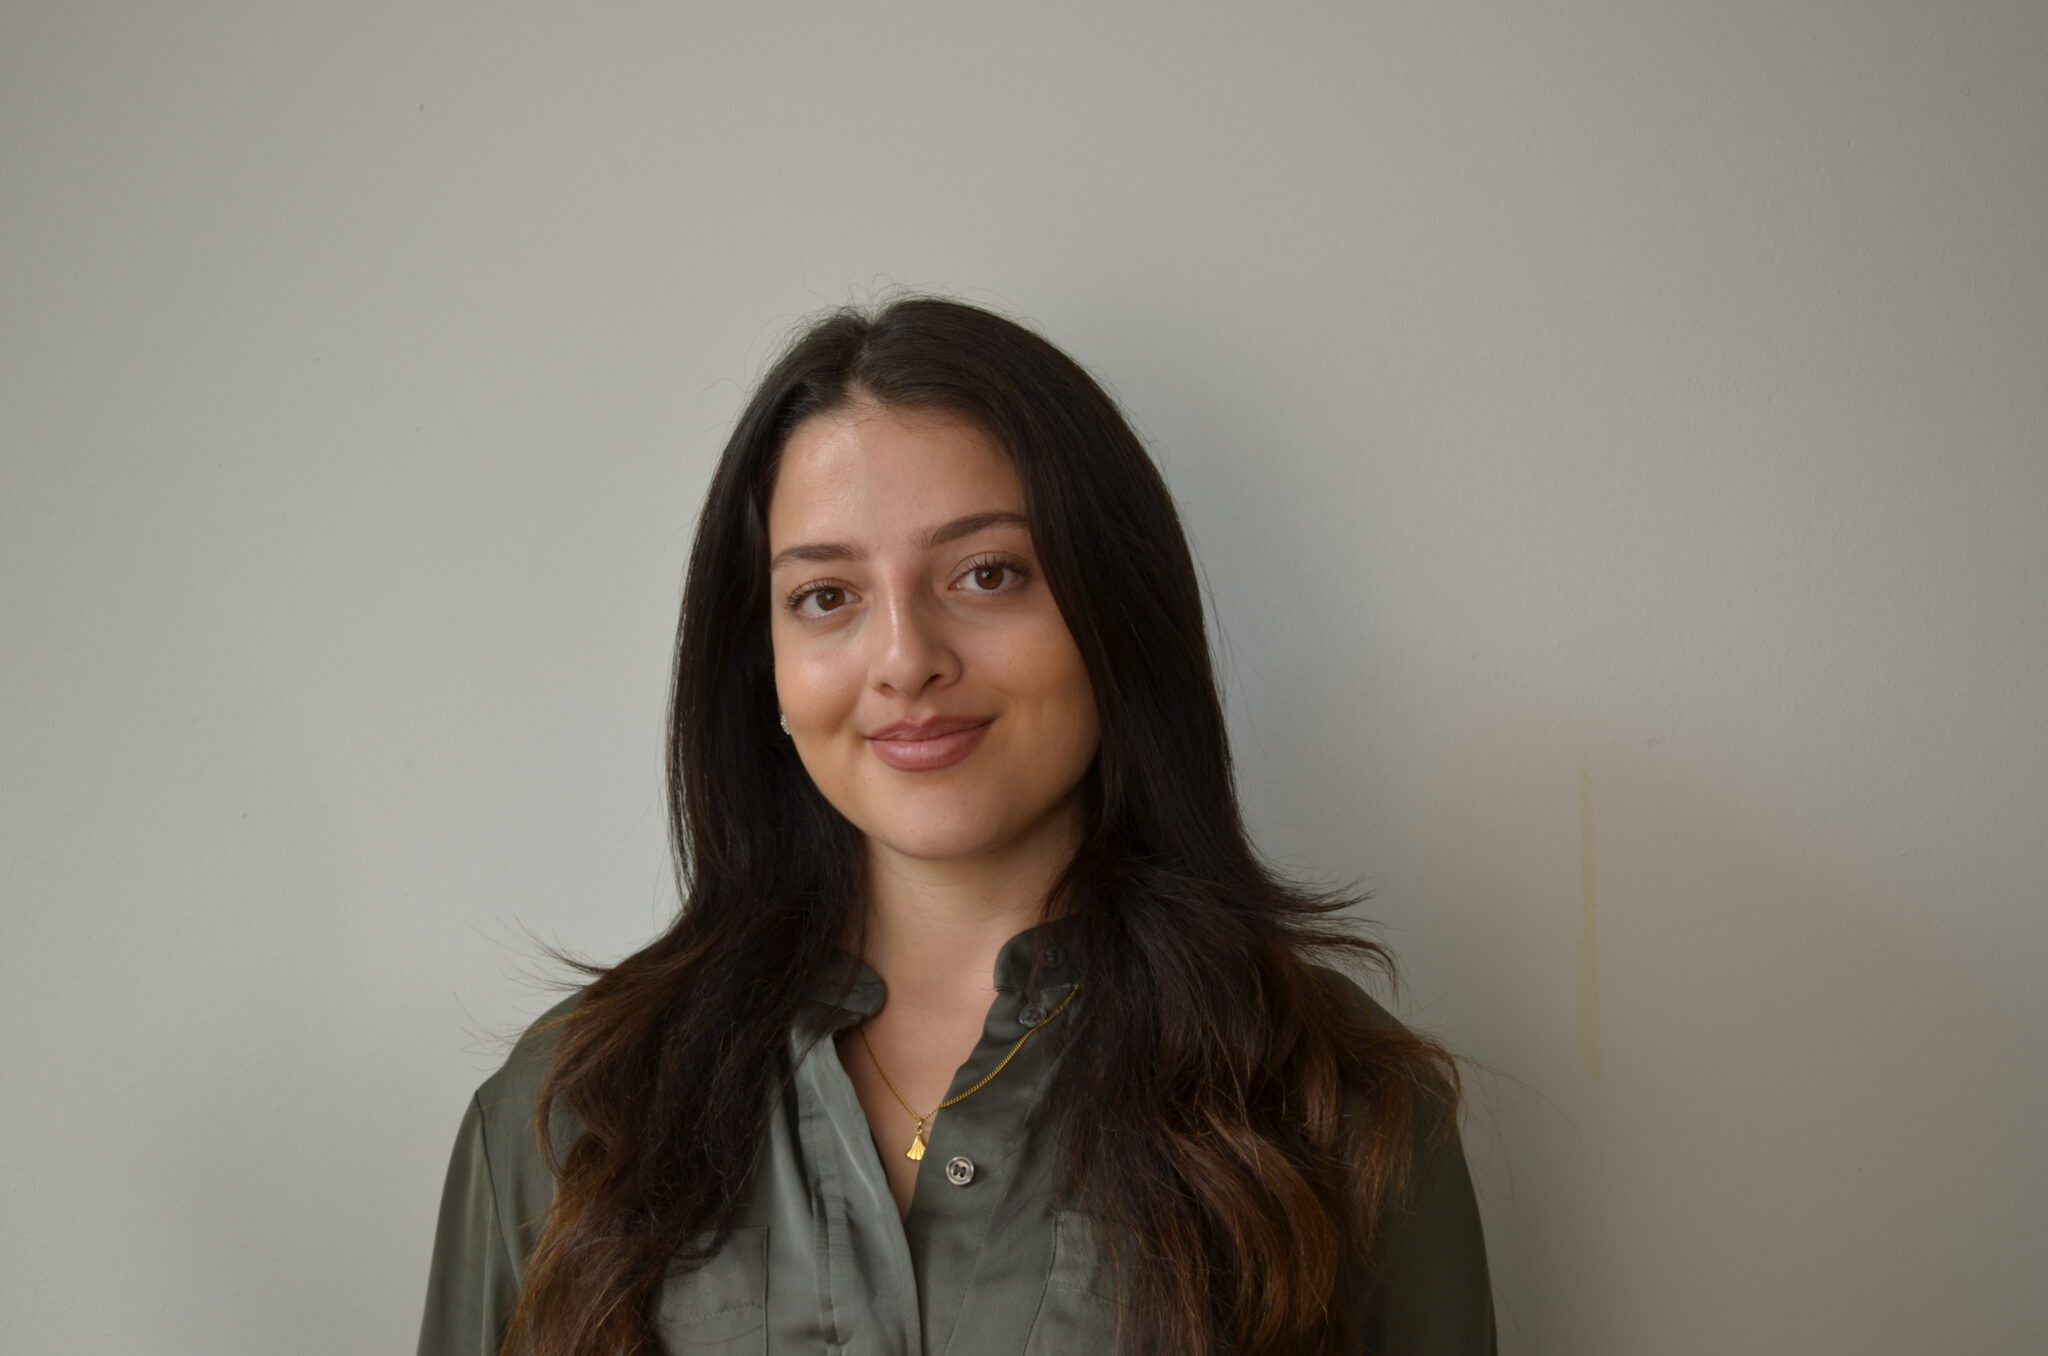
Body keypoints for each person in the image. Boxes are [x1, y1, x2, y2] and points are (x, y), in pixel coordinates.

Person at [417, 296, 1496, 1356]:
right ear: (764, 669)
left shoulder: (1333, 1101)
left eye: (988, 574)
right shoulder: (574, 1110)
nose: (905, 660)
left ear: (1115, 614)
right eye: (826, 596)